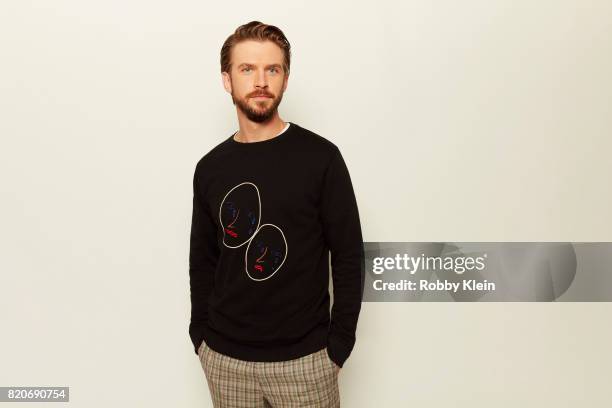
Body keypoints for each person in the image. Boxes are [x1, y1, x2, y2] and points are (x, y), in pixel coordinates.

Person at [189, 20, 365, 407]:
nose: (260, 81)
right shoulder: (210, 168)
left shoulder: (321, 158)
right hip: (225, 361)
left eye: (273, 69)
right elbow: (202, 261)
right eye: (247, 69)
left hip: (305, 363)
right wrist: (200, 337)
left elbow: (349, 256)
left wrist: (337, 347)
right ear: (226, 79)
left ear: (286, 79)